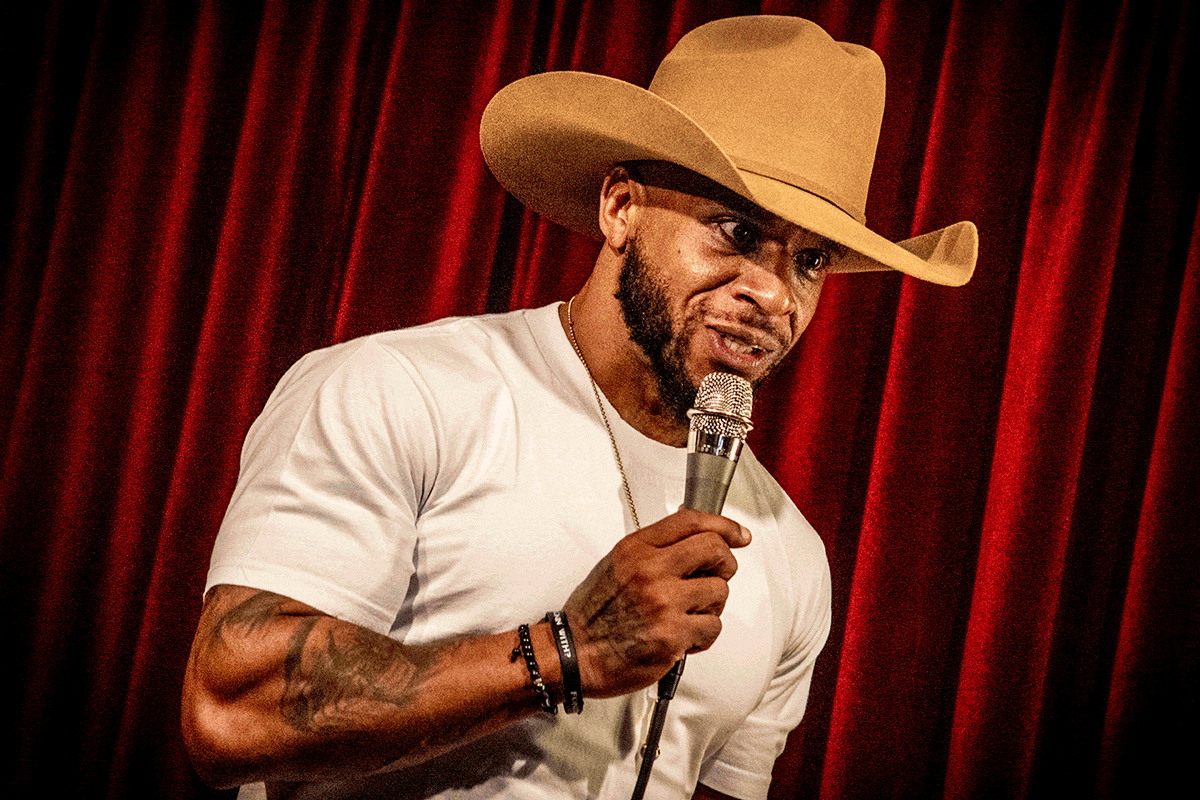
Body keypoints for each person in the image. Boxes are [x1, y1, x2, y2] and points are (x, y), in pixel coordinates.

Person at [181, 15, 976, 800]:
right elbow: (229, 713)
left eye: (810, 261)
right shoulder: (403, 391)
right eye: (737, 232)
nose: (775, 295)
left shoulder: (790, 554)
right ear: (621, 207)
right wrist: (564, 651)